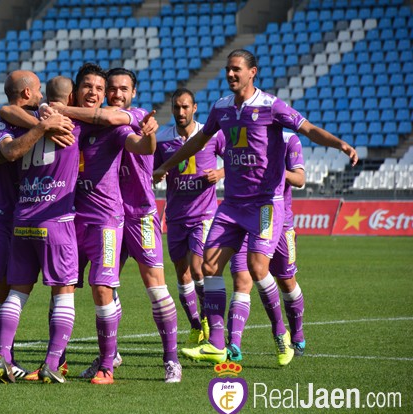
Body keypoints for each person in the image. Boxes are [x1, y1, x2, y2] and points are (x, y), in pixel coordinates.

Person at [154, 49, 357, 366]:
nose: (231, 74)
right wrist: (166, 165)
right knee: (209, 266)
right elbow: (198, 141)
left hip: (266, 204)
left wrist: (339, 143)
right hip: (233, 204)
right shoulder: (221, 108)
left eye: (236, 69)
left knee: (258, 267)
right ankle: (217, 344)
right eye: (228, 70)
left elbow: (307, 128)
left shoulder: (271, 106)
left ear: (252, 73)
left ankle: (281, 334)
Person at [52, 66, 181, 383]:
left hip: (139, 213)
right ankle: (110, 354)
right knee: (103, 287)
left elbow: (140, 144)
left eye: (124, 89)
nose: (117, 94)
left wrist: (150, 138)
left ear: (133, 93)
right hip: (105, 215)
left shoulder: (131, 117)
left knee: (155, 286)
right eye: (113, 89)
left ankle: (171, 359)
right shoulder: (93, 124)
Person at [0, 70, 73, 385]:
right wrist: (43, 126)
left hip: (19, 217)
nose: (42, 98)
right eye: (37, 92)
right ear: (28, 92)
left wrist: (41, 121)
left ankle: (4, 359)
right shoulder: (1, 121)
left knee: (5, 290)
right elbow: (8, 151)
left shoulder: (26, 116)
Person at [153, 89, 225, 351]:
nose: (180, 112)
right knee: (182, 274)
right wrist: (157, 175)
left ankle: (211, 323)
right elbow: (154, 171)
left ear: (195, 108)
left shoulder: (212, 134)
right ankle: (196, 326)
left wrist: (220, 172)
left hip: (203, 214)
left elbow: (234, 162)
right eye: (176, 107)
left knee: (198, 269)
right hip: (175, 216)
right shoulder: (161, 139)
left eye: (185, 107)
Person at [225, 131, 306, 363]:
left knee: (286, 281)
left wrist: (275, 172)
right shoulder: (242, 134)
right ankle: (234, 345)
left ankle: (297, 335)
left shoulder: (289, 139)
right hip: (242, 217)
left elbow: (300, 179)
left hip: (278, 221)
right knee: (242, 281)